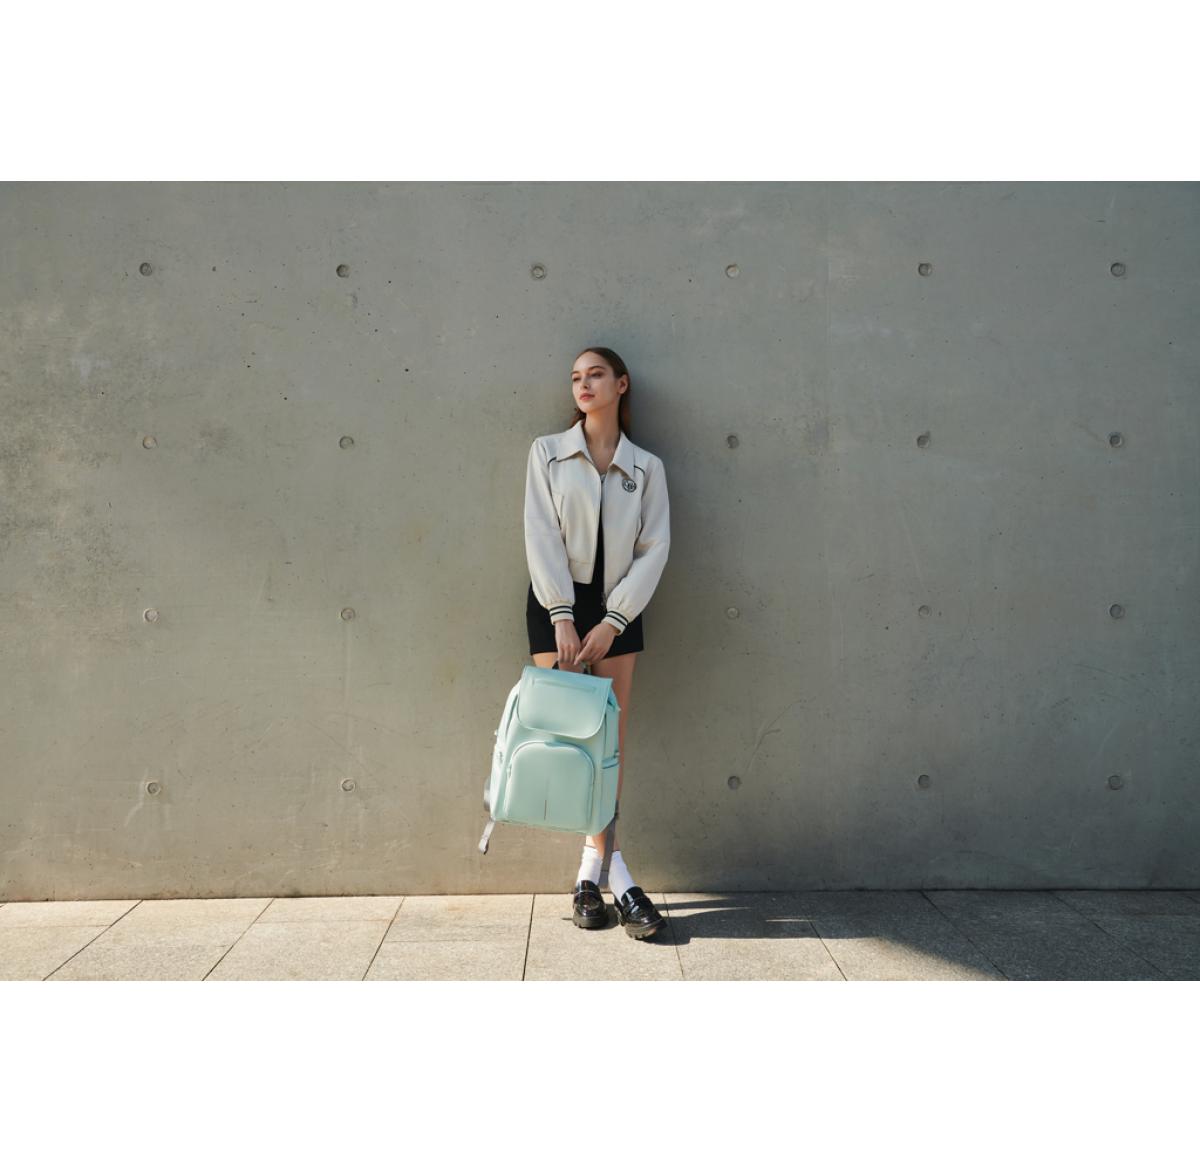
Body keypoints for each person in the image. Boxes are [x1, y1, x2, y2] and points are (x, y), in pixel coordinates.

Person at [524, 346, 671, 940]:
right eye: (576, 378)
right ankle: (615, 876)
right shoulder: (548, 453)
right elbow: (539, 532)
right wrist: (562, 615)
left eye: (596, 375)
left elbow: (654, 549)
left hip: (620, 608)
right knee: (573, 744)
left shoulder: (647, 468)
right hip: (554, 603)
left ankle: (594, 874)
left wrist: (613, 621)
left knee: (609, 744)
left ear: (621, 384)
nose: (583, 385)